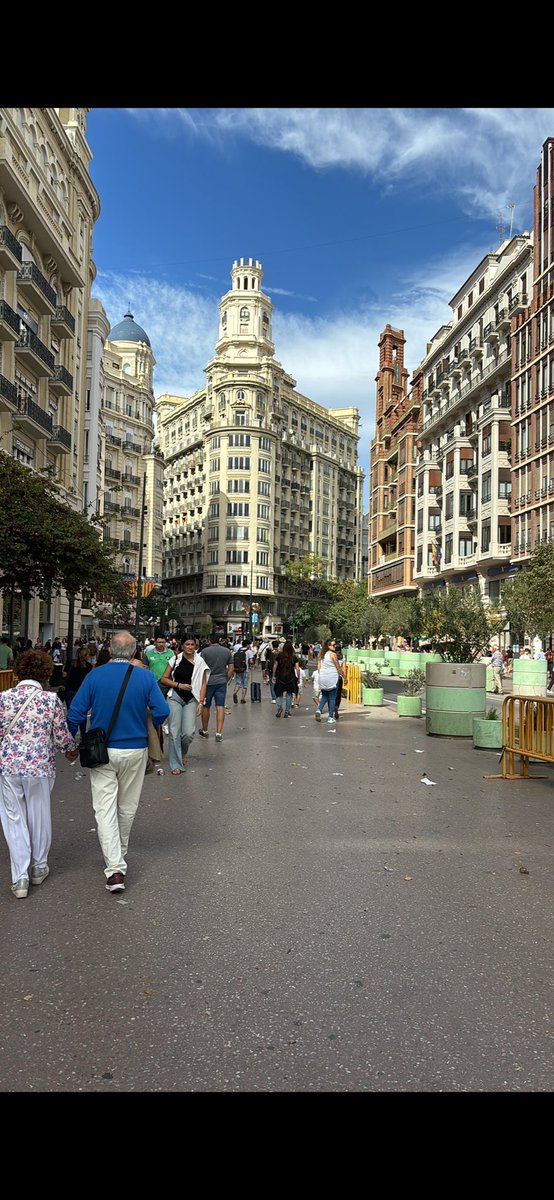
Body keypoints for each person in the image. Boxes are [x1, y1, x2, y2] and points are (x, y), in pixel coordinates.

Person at [66, 631, 169, 893]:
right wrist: (148, 722)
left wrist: (74, 741)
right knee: (127, 806)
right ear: (135, 653)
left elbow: (75, 712)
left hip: (102, 750)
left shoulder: (95, 675)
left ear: (110, 651)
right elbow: (162, 711)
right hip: (135, 749)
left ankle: (114, 868)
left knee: (104, 808)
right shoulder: (145, 677)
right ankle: (118, 856)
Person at [0, 649, 76, 899]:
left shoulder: (4, 698)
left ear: (18, 671)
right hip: (40, 766)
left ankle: (19, 878)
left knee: (14, 819)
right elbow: (61, 736)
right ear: (45, 673)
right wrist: (70, 750)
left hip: (9, 765)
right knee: (39, 814)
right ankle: (39, 866)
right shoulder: (50, 700)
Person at [159, 635, 210, 774]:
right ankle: (176, 764)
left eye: (192, 644)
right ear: (182, 646)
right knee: (174, 732)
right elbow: (163, 678)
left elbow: (204, 683)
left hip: (192, 699)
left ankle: (183, 753)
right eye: (187, 644)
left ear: (196, 646)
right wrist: (178, 685)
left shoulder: (200, 662)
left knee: (188, 733)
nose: (190, 647)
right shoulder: (175, 659)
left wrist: (201, 702)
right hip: (175, 697)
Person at [198, 632, 234, 741]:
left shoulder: (204, 652)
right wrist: (225, 679)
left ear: (209, 640)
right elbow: (231, 669)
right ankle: (218, 733)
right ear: (219, 640)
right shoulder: (227, 651)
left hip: (208, 682)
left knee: (206, 706)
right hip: (221, 681)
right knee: (220, 706)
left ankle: (205, 730)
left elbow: (200, 668)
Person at [143, 634, 174, 749]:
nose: (161, 644)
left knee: (168, 705)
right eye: (159, 642)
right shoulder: (148, 655)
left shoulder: (170, 654)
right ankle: (157, 725)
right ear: (154, 643)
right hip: (154, 685)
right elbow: (145, 668)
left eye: (163, 642)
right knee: (156, 707)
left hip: (168, 683)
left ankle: (166, 725)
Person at [63, 644, 93, 738]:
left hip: (70, 690)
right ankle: (83, 734)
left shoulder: (71, 663)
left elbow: (64, 675)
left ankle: (71, 735)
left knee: (71, 713)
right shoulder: (88, 667)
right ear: (85, 655)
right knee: (82, 713)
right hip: (81, 692)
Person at [314, 638, 343, 724]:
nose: (335, 646)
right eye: (333, 645)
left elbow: (318, 667)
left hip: (322, 677)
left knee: (324, 695)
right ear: (328, 646)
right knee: (332, 697)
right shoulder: (332, 654)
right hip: (332, 677)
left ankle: (319, 710)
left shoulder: (321, 654)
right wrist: (343, 676)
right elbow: (338, 667)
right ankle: (330, 717)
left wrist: (321, 675)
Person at [272, 640, 298, 718]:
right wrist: (298, 677)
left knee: (279, 694)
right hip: (290, 677)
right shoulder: (293, 657)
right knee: (289, 694)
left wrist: (273, 676)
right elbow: (297, 668)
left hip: (280, 676)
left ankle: (279, 707)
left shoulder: (279, 655)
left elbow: (275, 666)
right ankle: (287, 712)